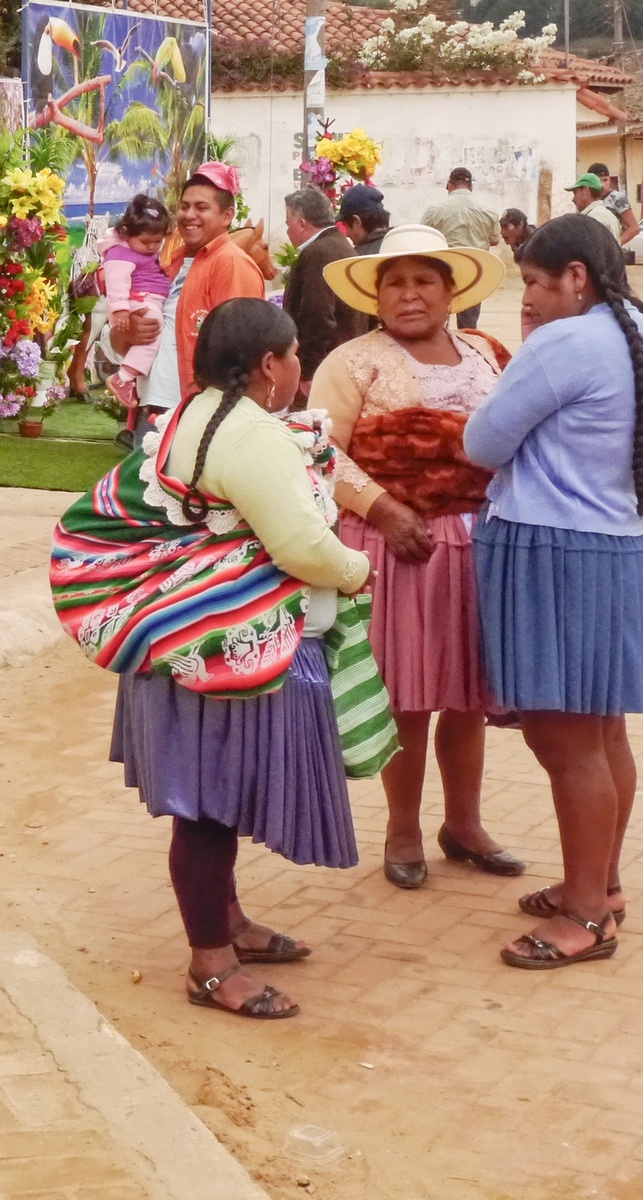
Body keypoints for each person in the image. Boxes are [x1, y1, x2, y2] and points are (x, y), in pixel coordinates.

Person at [109, 298, 371, 1017]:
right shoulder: (251, 436)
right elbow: (301, 546)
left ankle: (227, 924)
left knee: (212, 799)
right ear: (267, 366)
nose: (298, 369)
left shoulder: (187, 416)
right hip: (222, 652)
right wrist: (357, 571)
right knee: (207, 807)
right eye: (293, 356)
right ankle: (211, 965)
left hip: (185, 641)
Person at [464, 215, 643, 969]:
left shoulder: (566, 342)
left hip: (558, 552)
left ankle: (587, 916)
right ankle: (601, 883)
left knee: (565, 742)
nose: (526, 298)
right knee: (603, 733)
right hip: (626, 547)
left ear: (576, 279)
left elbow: (483, 443)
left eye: (533, 282)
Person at [311, 224, 524, 889]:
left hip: (477, 547)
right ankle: (401, 828)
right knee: (404, 695)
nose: (409, 295)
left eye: (423, 280)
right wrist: (382, 507)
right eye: (394, 282)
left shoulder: (488, 353)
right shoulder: (350, 364)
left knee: (465, 694)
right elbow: (318, 450)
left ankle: (464, 822)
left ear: (451, 289)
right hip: (395, 549)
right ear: (375, 296)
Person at [102, 161, 264, 446]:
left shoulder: (232, 263)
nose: (189, 215)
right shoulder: (169, 261)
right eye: (184, 206)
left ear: (227, 216)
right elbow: (123, 340)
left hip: (196, 413)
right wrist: (124, 333)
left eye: (201, 207)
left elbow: (242, 350)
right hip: (153, 407)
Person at [283, 189, 366, 396]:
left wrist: (310, 371)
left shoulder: (318, 253)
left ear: (302, 223)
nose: (287, 231)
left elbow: (317, 315)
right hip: (347, 362)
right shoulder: (341, 246)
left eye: (288, 224)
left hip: (327, 369)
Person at [99, 194, 172, 410]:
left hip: (147, 300)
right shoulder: (121, 253)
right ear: (125, 233)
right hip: (137, 302)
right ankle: (123, 377)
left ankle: (128, 377)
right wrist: (120, 310)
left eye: (157, 242)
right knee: (153, 329)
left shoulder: (137, 251)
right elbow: (116, 282)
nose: (151, 247)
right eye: (145, 242)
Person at [421, 167, 500, 329]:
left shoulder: (435, 210)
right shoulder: (488, 211)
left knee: (439, 320)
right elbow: (495, 240)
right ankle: (467, 350)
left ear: (449, 185)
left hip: (442, 271)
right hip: (474, 270)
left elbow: (422, 236)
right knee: (469, 325)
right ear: (471, 187)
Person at [588, 162, 640, 246]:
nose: (602, 185)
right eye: (598, 181)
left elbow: (634, 228)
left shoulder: (617, 199)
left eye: (605, 180)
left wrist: (615, 245)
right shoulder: (587, 199)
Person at [565, 173, 621, 244]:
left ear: (585, 191)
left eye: (575, 193)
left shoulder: (593, 217)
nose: (573, 199)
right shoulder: (610, 216)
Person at [339, 184, 391, 255]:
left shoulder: (357, 259)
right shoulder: (403, 244)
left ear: (356, 221)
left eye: (345, 225)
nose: (347, 234)